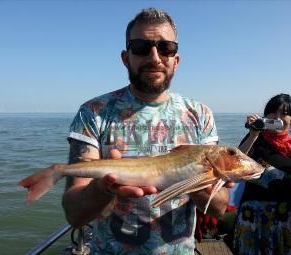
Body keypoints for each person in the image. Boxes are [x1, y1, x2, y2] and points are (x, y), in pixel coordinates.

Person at [62, 8, 231, 254]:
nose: (154, 57)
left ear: (176, 59)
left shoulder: (200, 115)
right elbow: (74, 214)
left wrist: (194, 181)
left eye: (166, 48)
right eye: (141, 47)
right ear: (125, 57)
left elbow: (218, 208)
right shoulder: (94, 112)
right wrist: (102, 188)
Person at [233, 93, 291, 254]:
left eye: (284, 113)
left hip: (285, 220)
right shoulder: (256, 138)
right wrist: (253, 133)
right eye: (273, 112)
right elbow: (234, 163)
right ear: (265, 116)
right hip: (255, 218)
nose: (278, 117)